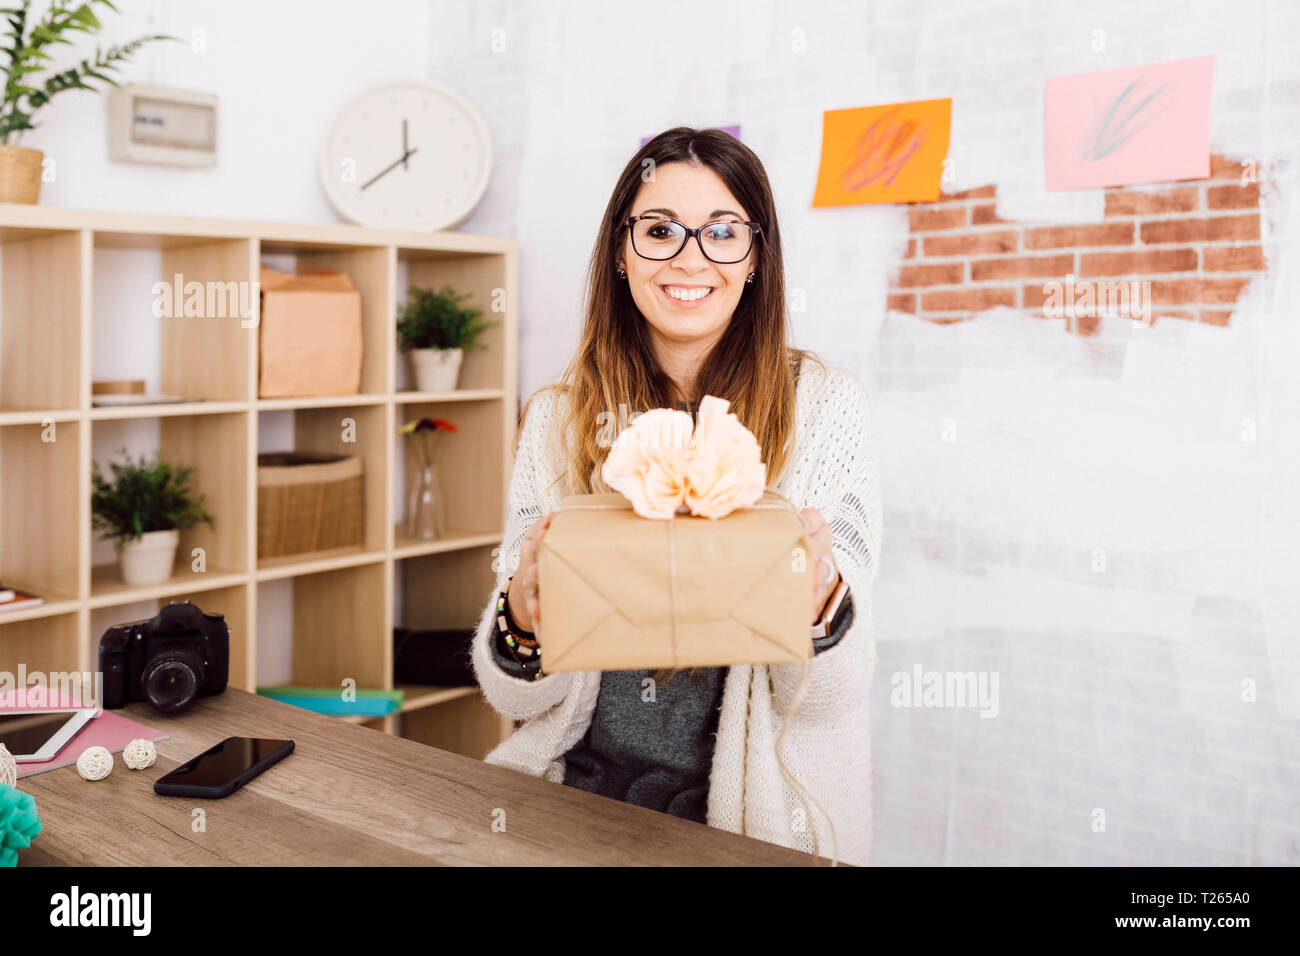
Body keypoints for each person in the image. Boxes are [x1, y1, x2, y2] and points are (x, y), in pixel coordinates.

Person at [470, 126, 883, 865]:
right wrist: (523, 618)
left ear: (756, 258)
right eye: (660, 230)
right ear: (622, 255)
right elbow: (515, 701)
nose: (690, 257)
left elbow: (825, 700)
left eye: (723, 231)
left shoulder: (825, 410)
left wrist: (818, 600)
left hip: (750, 818)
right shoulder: (558, 420)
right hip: (575, 793)